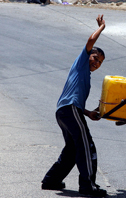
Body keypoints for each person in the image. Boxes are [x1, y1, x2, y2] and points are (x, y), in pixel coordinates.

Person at [41, 15, 107, 197]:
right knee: (87, 145)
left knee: (72, 148)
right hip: (69, 110)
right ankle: (88, 186)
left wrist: (87, 113)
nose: (96, 62)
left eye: (100, 62)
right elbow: (90, 40)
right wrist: (102, 27)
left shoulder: (85, 75)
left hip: (66, 111)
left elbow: (74, 100)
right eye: (95, 57)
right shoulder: (81, 63)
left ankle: (51, 180)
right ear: (89, 54)